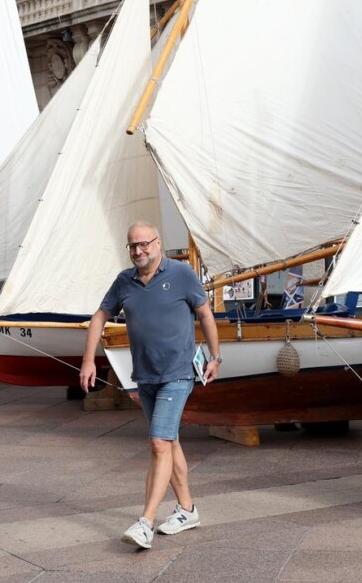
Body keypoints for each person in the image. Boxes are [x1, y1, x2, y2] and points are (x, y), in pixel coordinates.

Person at [80, 222, 221, 550]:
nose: (138, 251)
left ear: (158, 243)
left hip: (178, 373)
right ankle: (187, 509)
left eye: (144, 244)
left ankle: (145, 522)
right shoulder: (124, 281)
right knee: (169, 443)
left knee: (158, 443)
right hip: (145, 376)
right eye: (132, 246)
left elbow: (205, 314)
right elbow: (99, 317)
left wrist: (215, 356)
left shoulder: (182, 274)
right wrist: (88, 360)